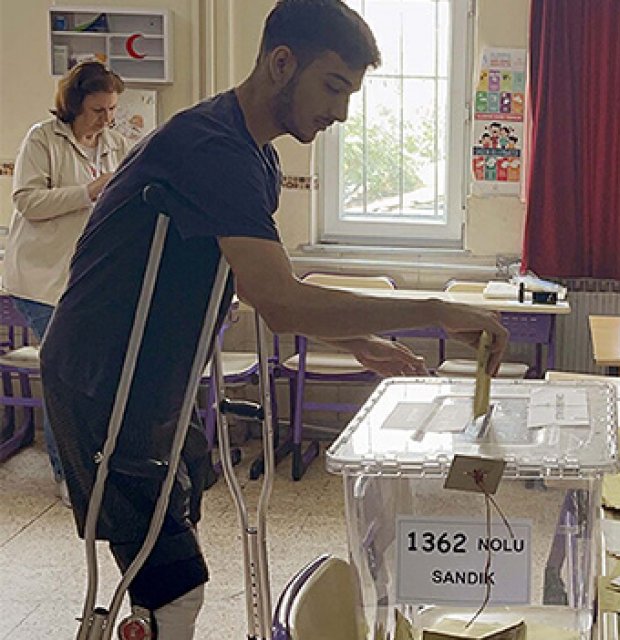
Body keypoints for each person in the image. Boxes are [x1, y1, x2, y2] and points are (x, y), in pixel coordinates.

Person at [39, 2, 509, 637]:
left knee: (166, 547)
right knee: (172, 583)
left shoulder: (255, 158)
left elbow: (254, 288)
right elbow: (282, 300)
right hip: (101, 379)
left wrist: (360, 340)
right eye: (333, 86)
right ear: (282, 63)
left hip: (154, 382)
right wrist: (431, 310)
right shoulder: (210, 146)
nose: (341, 111)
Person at [6, 60, 127, 502]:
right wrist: (89, 192)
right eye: (98, 110)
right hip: (41, 280)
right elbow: (27, 201)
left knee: (95, 378)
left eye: (112, 109)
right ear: (74, 106)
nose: (106, 119)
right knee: (66, 376)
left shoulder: (114, 143)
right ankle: (68, 473)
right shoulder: (42, 139)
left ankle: (96, 464)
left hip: (89, 281)